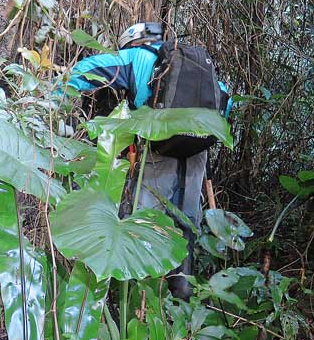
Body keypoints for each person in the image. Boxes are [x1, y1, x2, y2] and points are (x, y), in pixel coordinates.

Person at [66, 22, 231, 299]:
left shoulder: (136, 57)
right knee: (186, 225)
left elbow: (86, 70)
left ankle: (137, 301)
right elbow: (226, 103)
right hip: (196, 157)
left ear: (131, 41)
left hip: (157, 152)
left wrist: (57, 99)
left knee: (145, 223)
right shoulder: (200, 66)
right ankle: (180, 299)